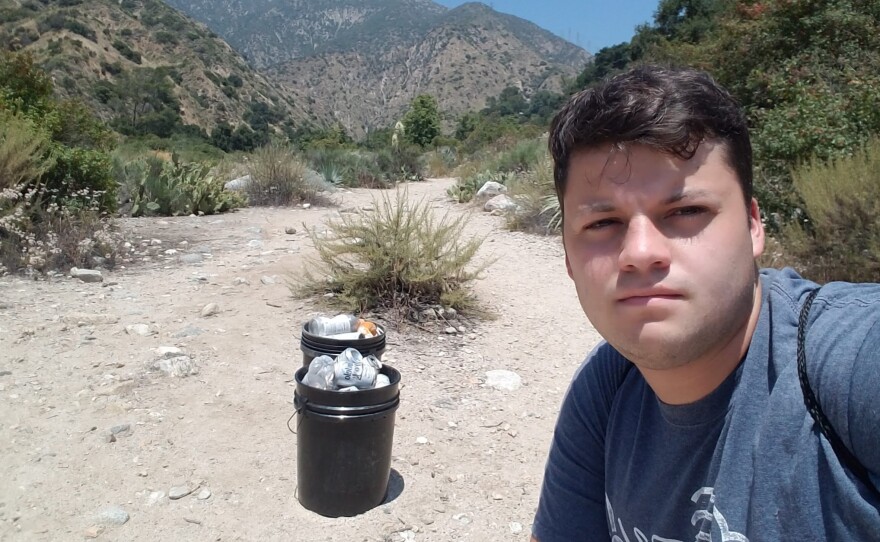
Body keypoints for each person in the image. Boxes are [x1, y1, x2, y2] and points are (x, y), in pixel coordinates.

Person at [530, 65, 880, 541]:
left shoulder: (849, 362)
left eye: (686, 211)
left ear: (755, 226)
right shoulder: (608, 388)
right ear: (568, 257)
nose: (639, 253)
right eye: (602, 224)